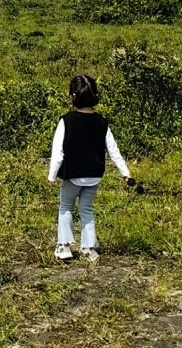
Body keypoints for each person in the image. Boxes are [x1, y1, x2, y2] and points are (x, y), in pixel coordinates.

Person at [48, 73, 133, 263]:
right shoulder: (102, 122)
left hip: (73, 175)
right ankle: (88, 249)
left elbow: (58, 151)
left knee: (66, 208)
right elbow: (113, 150)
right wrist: (125, 173)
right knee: (86, 209)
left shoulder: (66, 121)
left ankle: (64, 247)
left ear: (72, 96)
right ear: (95, 96)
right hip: (94, 176)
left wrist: (52, 176)